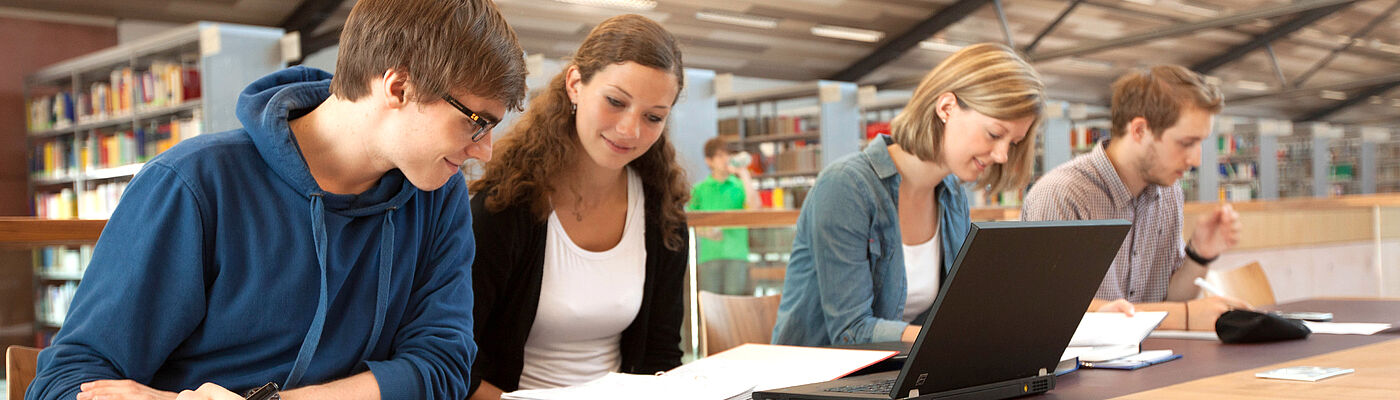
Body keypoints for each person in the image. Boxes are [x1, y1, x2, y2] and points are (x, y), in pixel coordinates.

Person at [26, 1, 527, 399]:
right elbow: (65, 380)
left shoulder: (436, 195)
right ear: (398, 86)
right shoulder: (195, 184)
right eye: (475, 120)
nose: (484, 150)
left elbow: (442, 369)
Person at [465, 14, 689, 399]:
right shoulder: (506, 206)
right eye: (616, 102)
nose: (630, 130)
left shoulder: (661, 212)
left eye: (654, 117)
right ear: (575, 85)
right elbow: (456, 361)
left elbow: (661, 355)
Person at [770, 43, 1045, 347]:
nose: (1003, 155)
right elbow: (851, 332)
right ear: (946, 108)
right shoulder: (846, 187)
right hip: (819, 377)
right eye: (994, 134)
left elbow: (957, 309)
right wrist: (952, 337)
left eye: (1014, 143)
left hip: (896, 372)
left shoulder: (952, 196)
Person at [1021, 65, 1248, 331]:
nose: (1196, 159)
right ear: (1139, 130)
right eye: (1186, 143)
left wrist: (1199, 255)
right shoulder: (1062, 195)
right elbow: (1054, 314)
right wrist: (1183, 316)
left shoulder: (1169, 192)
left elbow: (1171, 299)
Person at [688, 137, 761, 295]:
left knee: (734, 308)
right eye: (720, 156)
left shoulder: (739, 185)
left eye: (727, 154)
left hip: (737, 256)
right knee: (709, 308)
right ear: (709, 161)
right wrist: (707, 232)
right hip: (709, 257)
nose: (725, 159)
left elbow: (755, 209)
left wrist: (744, 174)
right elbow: (688, 222)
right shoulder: (699, 189)